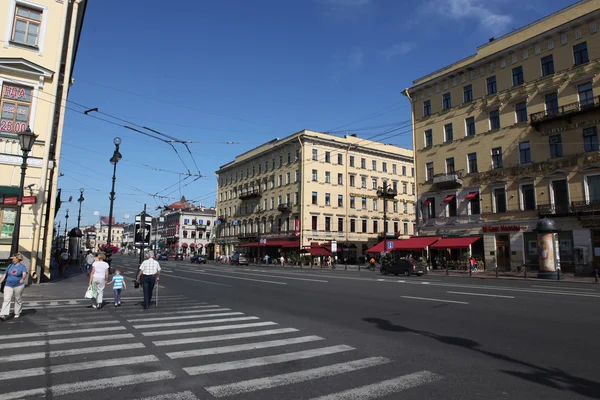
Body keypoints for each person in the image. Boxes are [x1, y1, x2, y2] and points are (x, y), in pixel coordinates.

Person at [0, 253, 28, 320]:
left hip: (18, 285)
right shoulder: (10, 266)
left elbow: (24, 274)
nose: (13, 260)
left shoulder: (22, 267)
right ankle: (3, 314)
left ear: (18, 259)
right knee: (6, 299)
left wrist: (22, 279)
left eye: (14, 258)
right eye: (12, 258)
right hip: (8, 284)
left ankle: (17, 312)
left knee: (17, 299)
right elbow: (4, 275)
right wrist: (0, 281)